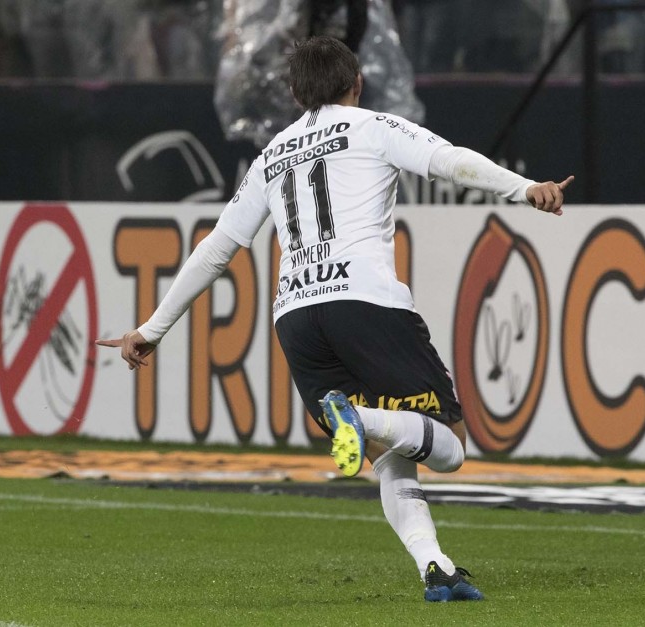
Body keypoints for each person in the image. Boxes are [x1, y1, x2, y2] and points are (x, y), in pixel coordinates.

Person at [98, 35, 572, 602]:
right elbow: (450, 162)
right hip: (366, 302)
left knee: (394, 457)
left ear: (297, 95)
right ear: (358, 83)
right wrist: (524, 188)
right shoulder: (372, 126)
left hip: (296, 317)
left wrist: (151, 329)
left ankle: (437, 570)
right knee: (447, 443)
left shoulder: (271, 156)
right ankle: (361, 420)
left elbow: (217, 248)